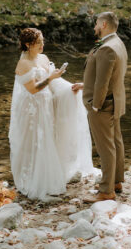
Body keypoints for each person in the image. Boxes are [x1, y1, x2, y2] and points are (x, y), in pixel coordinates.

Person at [9, 27, 93, 200]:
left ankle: (47, 175)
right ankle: (31, 179)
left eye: (42, 41)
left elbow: (54, 82)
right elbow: (33, 89)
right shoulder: (23, 63)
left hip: (46, 104)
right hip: (31, 109)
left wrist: (69, 88)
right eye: (38, 42)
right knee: (32, 141)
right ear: (27, 44)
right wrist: (51, 78)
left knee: (48, 138)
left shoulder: (44, 58)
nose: (42, 45)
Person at [72, 12, 127, 202]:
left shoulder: (106, 48)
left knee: (106, 147)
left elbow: (103, 82)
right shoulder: (117, 42)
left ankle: (106, 191)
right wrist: (84, 84)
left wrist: (95, 106)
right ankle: (116, 181)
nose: (94, 26)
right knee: (116, 142)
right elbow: (109, 75)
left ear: (103, 24)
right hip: (116, 101)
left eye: (96, 23)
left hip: (103, 105)